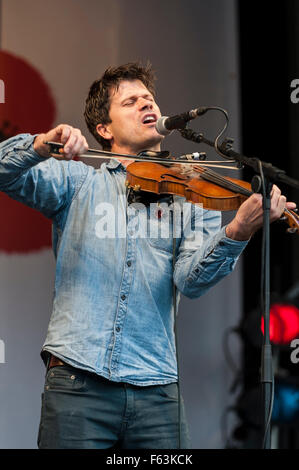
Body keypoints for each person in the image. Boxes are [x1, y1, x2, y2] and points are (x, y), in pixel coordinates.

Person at [0, 63, 294, 449]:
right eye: (130, 101)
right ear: (104, 130)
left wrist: (238, 230)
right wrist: (39, 144)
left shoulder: (192, 193)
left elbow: (191, 281)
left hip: (157, 390)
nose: (146, 104)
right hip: (77, 382)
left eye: (149, 99)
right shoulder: (77, 181)